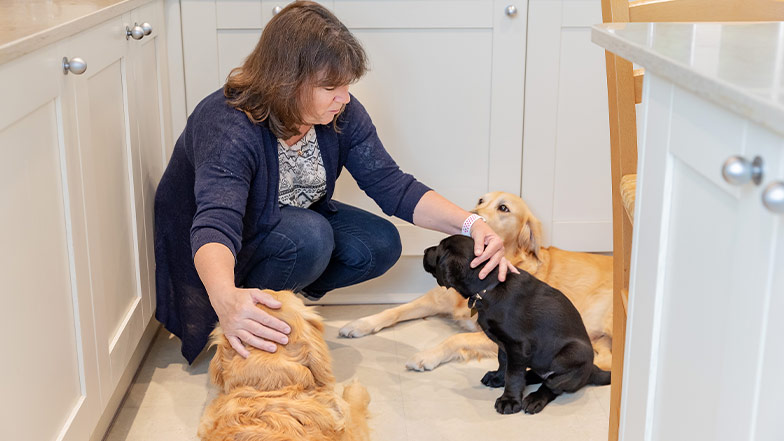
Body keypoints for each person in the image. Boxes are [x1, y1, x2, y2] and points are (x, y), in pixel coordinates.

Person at [154, 1, 517, 364]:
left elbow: (393, 185)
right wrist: (224, 297)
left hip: (285, 225)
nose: (343, 97)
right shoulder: (229, 125)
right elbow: (216, 222)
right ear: (287, 81)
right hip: (218, 247)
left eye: (346, 85)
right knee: (311, 237)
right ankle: (247, 316)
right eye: (331, 87)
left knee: (379, 243)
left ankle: (277, 301)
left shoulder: (341, 114)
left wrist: (473, 224)